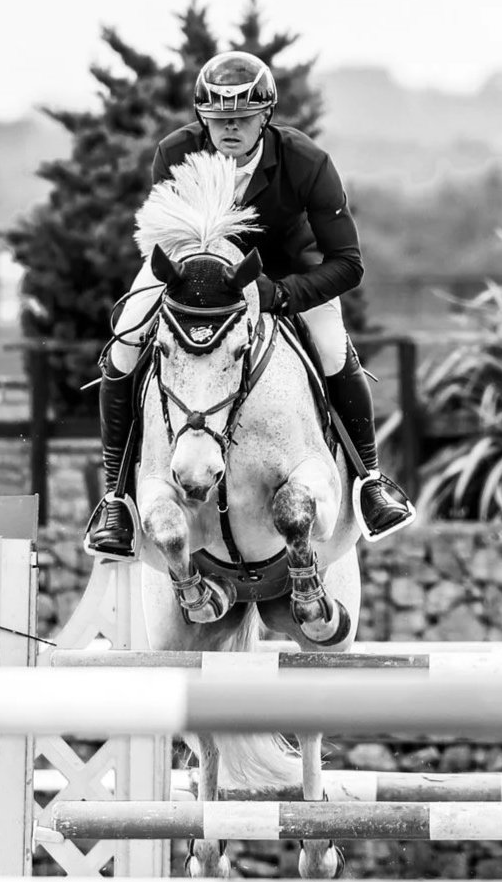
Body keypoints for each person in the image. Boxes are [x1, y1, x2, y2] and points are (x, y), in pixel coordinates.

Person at [83, 50, 416, 560]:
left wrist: (280, 296)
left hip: (285, 274)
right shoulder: (175, 152)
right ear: (202, 119)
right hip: (194, 271)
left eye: (242, 119)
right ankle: (114, 500)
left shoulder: (306, 162)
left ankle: (370, 481)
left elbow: (348, 264)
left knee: (330, 346)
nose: (230, 130)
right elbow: (166, 242)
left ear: (266, 117)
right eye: (219, 120)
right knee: (125, 343)